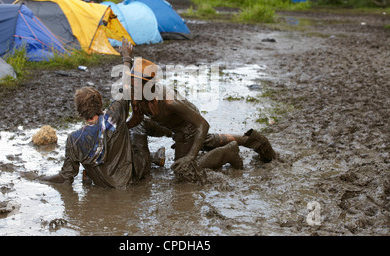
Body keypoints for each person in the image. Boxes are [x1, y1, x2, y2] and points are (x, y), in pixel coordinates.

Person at [39, 39, 171, 188]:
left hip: (105, 184)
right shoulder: (113, 115)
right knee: (136, 126)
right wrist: (126, 58)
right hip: (130, 178)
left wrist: (39, 178)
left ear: (79, 113)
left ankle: (90, 174)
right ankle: (154, 156)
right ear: (100, 104)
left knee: (121, 133)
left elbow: (65, 177)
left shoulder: (73, 139)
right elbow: (126, 86)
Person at [126, 58, 277, 182]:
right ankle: (250, 139)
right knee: (204, 141)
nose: (132, 88)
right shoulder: (137, 96)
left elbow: (203, 125)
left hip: (188, 126)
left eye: (136, 85)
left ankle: (229, 152)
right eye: (132, 84)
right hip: (168, 124)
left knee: (184, 172)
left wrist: (190, 156)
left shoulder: (169, 102)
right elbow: (134, 118)